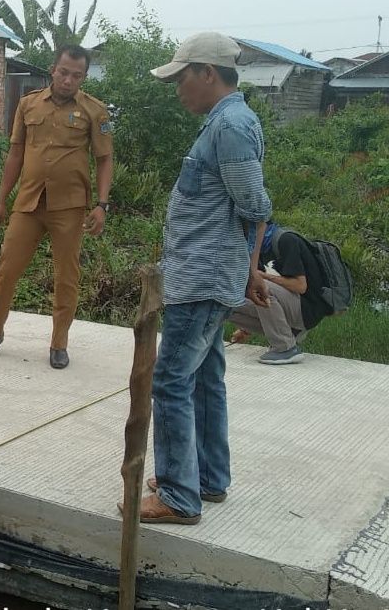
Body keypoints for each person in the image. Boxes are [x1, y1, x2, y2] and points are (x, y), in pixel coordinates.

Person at [124, 33, 272, 525]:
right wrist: (248, 270)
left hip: (203, 278)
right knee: (206, 379)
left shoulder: (229, 125)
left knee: (170, 380)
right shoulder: (227, 121)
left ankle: (179, 495)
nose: (178, 89)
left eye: (181, 77)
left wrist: (249, 269)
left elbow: (255, 206)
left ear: (208, 72)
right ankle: (207, 478)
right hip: (207, 273)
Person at [0, 44, 114, 369]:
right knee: (7, 269)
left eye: (77, 75)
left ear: (83, 77)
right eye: (64, 72)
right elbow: (15, 154)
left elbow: (105, 159)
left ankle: (59, 344)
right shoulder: (27, 105)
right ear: (53, 69)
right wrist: (0, 202)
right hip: (28, 202)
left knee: (66, 276)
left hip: (69, 207)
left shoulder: (96, 111)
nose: (69, 80)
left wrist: (102, 205)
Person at [230, 222, 331, 364]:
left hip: (308, 310)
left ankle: (285, 348)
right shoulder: (259, 250)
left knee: (260, 286)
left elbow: (300, 286)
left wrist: (263, 276)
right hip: (292, 307)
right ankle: (288, 332)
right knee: (228, 303)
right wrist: (244, 329)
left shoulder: (286, 240)